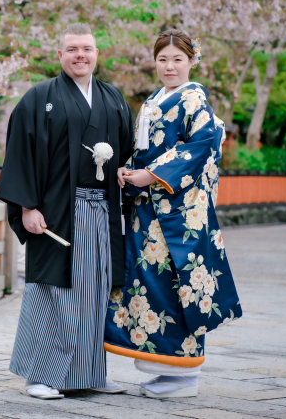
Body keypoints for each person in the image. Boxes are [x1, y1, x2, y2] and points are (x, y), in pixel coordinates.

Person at [0, 23, 134, 398]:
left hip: (101, 211)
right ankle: (39, 375)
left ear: (96, 53)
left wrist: (123, 170)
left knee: (96, 290)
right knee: (52, 291)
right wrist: (27, 206)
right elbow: (20, 154)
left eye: (87, 48)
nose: (80, 56)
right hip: (56, 212)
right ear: (60, 55)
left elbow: (126, 152)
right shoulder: (39, 98)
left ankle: (90, 373)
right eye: (72, 49)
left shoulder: (113, 98)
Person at [104, 29, 243, 398]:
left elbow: (201, 147)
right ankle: (165, 371)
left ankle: (184, 376)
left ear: (191, 61)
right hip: (150, 211)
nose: (169, 66)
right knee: (151, 286)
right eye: (162, 59)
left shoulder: (195, 99)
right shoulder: (154, 100)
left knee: (178, 286)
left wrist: (149, 175)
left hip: (177, 214)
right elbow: (143, 150)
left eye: (177, 59)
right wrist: (129, 170)